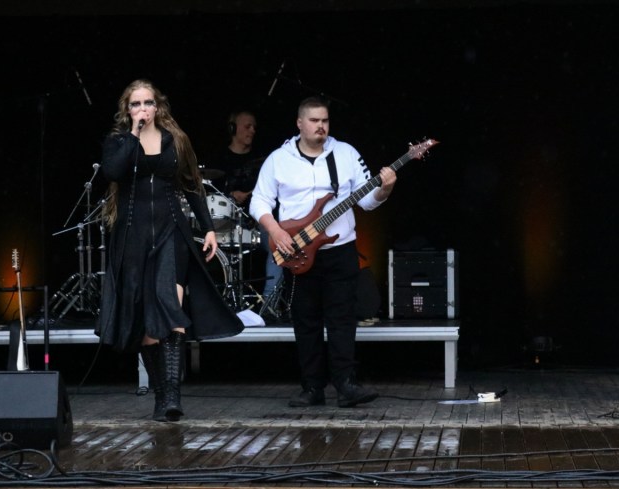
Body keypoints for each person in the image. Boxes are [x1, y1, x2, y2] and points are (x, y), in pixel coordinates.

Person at [96, 79, 243, 422]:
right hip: (132, 237)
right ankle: (161, 395)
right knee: (147, 321)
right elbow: (112, 172)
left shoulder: (175, 139)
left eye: (148, 102)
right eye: (136, 104)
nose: (143, 109)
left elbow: (192, 185)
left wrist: (208, 227)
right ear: (127, 109)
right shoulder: (118, 141)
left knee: (170, 308)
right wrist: (133, 135)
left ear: (158, 106)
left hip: (171, 233)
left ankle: (174, 396)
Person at [250, 96, 396, 408]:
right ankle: (312, 388)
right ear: (299, 123)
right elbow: (259, 201)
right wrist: (276, 231)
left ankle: (346, 385)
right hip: (297, 250)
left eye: (325, 120)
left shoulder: (346, 154)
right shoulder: (278, 159)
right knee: (306, 321)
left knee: (342, 319)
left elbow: (367, 201)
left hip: (340, 249)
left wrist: (384, 189)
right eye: (314, 120)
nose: (321, 126)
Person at [209, 109, 284, 306]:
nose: (252, 131)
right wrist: (230, 196)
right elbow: (208, 195)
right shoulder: (218, 159)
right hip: (225, 224)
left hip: (257, 225)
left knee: (279, 247)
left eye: (254, 127)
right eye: (247, 126)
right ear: (232, 128)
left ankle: (269, 306)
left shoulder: (263, 161)